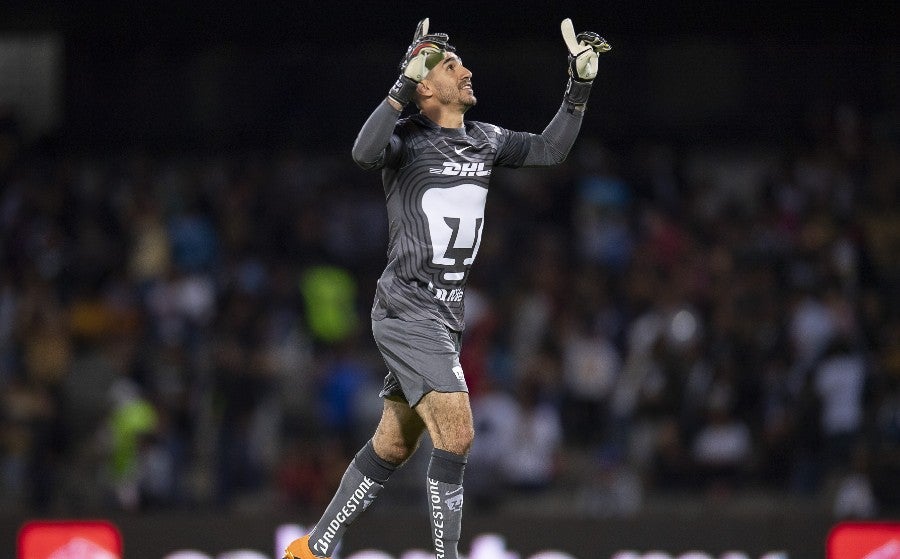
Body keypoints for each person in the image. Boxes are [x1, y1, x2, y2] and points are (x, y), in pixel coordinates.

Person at [283, 16, 610, 559]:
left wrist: (579, 87)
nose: (468, 71)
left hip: (444, 315)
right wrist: (399, 88)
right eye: (454, 67)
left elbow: (551, 150)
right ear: (426, 86)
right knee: (457, 433)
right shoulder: (406, 141)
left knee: (395, 442)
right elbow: (363, 153)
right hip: (408, 308)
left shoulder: (485, 139)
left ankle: (311, 550)